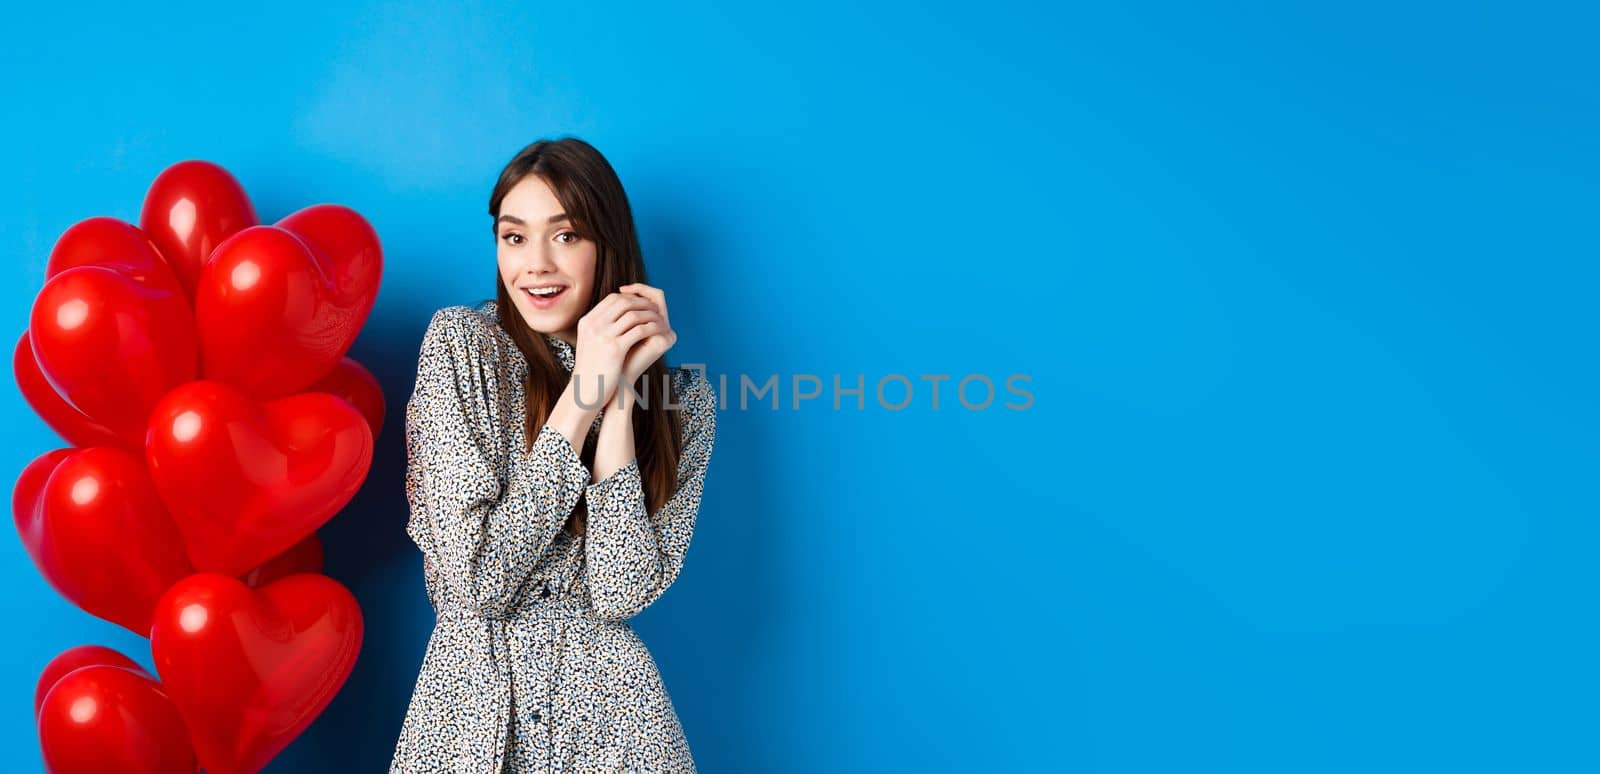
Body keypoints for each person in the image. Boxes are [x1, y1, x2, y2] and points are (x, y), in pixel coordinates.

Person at [390, 137, 715, 773]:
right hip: (468, 719)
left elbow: (620, 594)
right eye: (514, 237)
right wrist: (584, 397)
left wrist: (620, 395)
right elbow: (475, 583)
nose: (535, 265)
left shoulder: (685, 402)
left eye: (565, 236)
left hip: (613, 726)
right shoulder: (462, 346)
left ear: (607, 246)